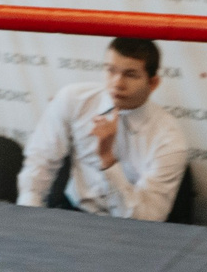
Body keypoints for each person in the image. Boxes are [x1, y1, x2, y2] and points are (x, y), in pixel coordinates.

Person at [17, 37, 191, 221]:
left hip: (131, 230)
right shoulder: (75, 100)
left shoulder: (169, 138)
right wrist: (29, 218)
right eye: (110, 70)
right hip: (73, 213)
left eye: (130, 74)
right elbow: (41, 161)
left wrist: (107, 160)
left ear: (153, 83)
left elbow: (147, 219)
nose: (117, 83)